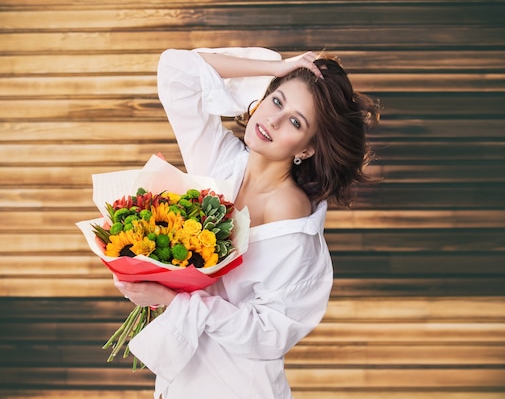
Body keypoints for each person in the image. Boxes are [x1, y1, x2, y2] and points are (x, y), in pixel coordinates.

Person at [113, 46, 380, 399]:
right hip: (182, 380)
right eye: (277, 101)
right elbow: (177, 71)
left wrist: (171, 301)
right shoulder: (223, 163)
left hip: (235, 387)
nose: (273, 120)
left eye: (296, 122)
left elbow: (266, 334)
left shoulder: (287, 211)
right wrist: (278, 65)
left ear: (307, 149)